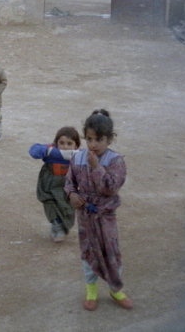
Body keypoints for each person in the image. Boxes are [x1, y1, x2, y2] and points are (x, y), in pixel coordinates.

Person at [65, 109, 132, 311]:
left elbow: (111, 187)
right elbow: (69, 182)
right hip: (85, 216)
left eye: (99, 140)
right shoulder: (77, 158)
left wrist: (96, 167)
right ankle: (91, 291)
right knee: (88, 252)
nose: (93, 144)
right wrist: (71, 195)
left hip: (105, 216)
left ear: (110, 139)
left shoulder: (115, 161)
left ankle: (115, 289)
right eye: (90, 139)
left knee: (111, 251)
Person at [29, 126, 81, 242]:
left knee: (66, 207)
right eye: (61, 143)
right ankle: (56, 224)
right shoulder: (51, 150)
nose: (65, 146)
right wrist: (46, 151)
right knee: (48, 201)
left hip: (67, 186)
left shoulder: (79, 155)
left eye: (69, 143)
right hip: (49, 183)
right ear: (56, 142)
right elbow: (33, 150)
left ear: (76, 145)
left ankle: (61, 227)